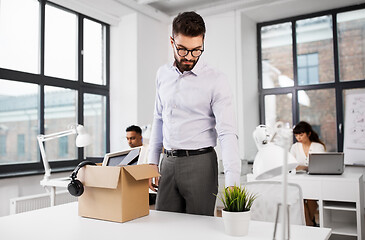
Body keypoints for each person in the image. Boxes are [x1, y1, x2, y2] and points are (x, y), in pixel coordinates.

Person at [147, 11, 241, 216]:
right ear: (172, 41)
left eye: (196, 50)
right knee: (163, 224)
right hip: (167, 162)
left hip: (201, 163)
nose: (189, 57)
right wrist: (152, 161)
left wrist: (233, 181)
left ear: (203, 42)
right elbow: (158, 118)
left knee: (200, 230)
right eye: (182, 50)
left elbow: (227, 131)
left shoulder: (216, 79)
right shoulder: (162, 74)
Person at [290, 121, 326, 227]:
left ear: (308, 134)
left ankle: (309, 223)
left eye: (301, 135)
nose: (298, 138)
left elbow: (321, 164)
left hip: (314, 180)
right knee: (299, 198)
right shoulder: (295, 147)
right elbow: (291, 165)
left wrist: (302, 166)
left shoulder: (318, 146)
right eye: (296, 135)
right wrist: (305, 167)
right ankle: (310, 223)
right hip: (298, 180)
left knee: (310, 197)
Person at [125, 125, 156, 205]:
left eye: (132, 138)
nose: (129, 142)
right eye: (127, 139)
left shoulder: (149, 150)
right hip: (131, 189)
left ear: (140, 137)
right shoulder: (127, 153)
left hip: (147, 190)